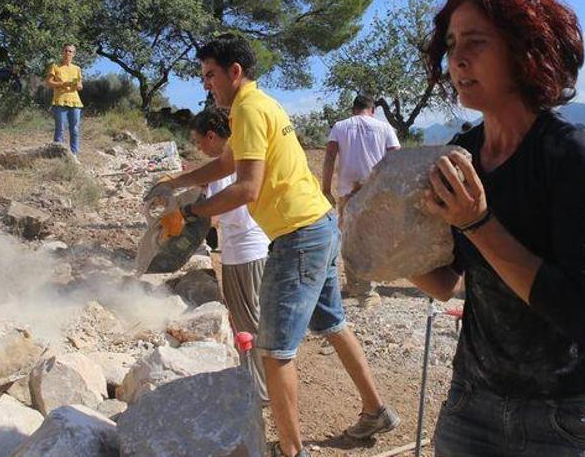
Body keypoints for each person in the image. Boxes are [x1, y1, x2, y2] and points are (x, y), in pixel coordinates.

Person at [414, 0, 585, 456]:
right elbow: (445, 281)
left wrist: (478, 222)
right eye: (451, 44)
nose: (457, 58)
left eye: (476, 41)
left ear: (525, 48)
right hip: (473, 405)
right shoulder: (462, 153)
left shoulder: (573, 153)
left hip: (572, 416)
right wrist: (383, 239)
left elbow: (581, 312)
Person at [145, 33, 398, 457]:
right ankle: (376, 411)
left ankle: (291, 450)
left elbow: (246, 188)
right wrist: (178, 182)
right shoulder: (261, 104)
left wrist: (191, 214)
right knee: (333, 325)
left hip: (298, 236)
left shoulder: (246, 109)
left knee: (274, 351)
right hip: (320, 224)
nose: (206, 83)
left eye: (210, 75)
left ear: (234, 72)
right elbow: (229, 163)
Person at [189, 107, 271, 402]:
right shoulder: (243, 158)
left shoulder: (227, 168)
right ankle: (257, 384)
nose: (199, 148)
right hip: (244, 251)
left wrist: (188, 220)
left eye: (199, 142)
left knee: (252, 323)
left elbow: (221, 215)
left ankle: (262, 391)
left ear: (212, 136)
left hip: (247, 253)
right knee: (247, 321)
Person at [321, 94, 400, 308]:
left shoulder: (340, 126)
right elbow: (396, 157)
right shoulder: (384, 128)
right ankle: (363, 289)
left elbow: (329, 157)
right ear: (372, 110)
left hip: (348, 191)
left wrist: (326, 189)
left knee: (350, 237)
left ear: (353, 109)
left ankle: (362, 288)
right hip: (375, 191)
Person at [45, 44, 83, 156]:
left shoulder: (77, 69)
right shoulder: (55, 66)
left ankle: (74, 155)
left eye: (70, 51)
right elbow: (48, 82)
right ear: (62, 52)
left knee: (75, 130)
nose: (67, 53)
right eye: (66, 51)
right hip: (59, 101)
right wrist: (62, 83)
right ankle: (58, 156)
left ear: (74, 54)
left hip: (75, 102)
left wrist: (78, 86)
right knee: (60, 129)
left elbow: (80, 86)